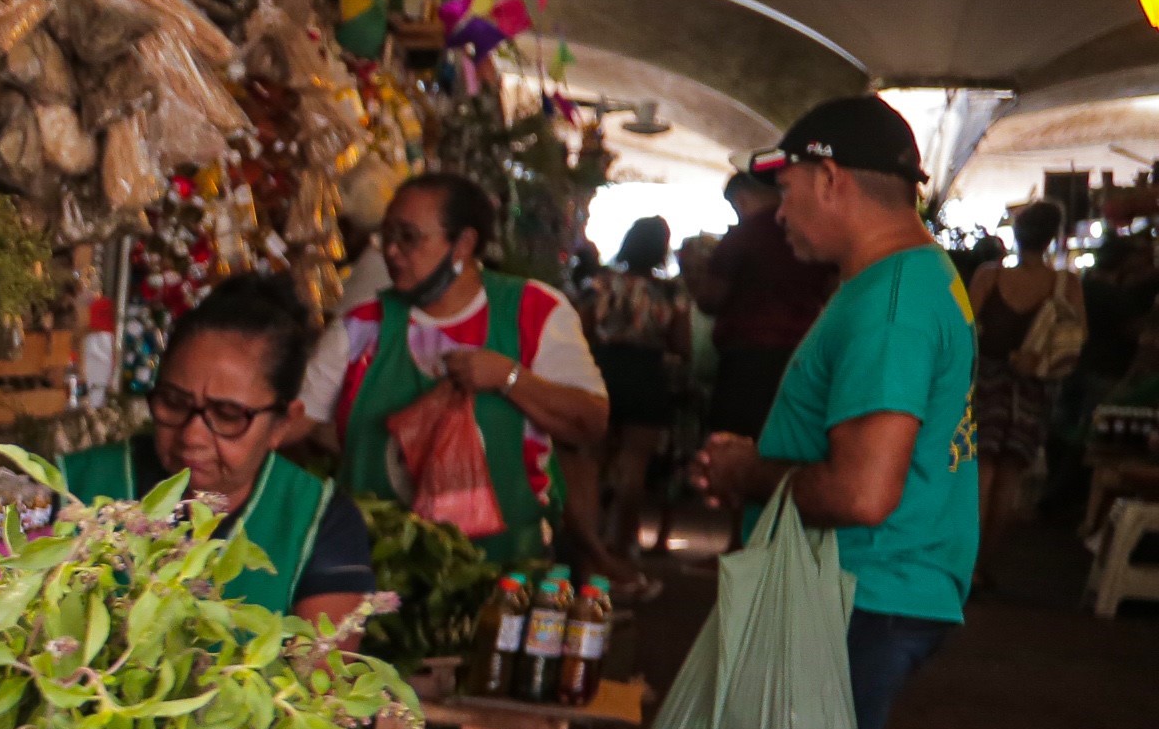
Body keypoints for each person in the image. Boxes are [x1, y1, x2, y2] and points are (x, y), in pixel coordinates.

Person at [543, 96, 975, 729]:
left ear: (828, 179)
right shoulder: (892, 284)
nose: (773, 215)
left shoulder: (897, 299)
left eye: (783, 191)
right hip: (831, 582)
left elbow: (864, 490)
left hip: (866, 587)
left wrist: (745, 477)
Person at [292, 171, 610, 568]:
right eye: (386, 236)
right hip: (373, 572)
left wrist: (509, 378)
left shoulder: (535, 311)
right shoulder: (360, 329)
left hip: (504, 571)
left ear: (463, 244)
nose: (391, 251)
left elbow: (591, 423)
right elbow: (296, 423)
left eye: (408, 237)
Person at [60, 272, 374, 623]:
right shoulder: (70, 487)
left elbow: (320, 673)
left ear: (282, 424)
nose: (192, 435)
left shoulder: (319, 524)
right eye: (175, 403)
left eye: (227, 415)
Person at [578, 215, 694, 595]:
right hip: (647, 375)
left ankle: (588, 546)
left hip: (605, 370)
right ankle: (622, 547)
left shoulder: (602, 283)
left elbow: (584, 329)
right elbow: (682, 343)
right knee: (634, 469)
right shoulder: (671, 293)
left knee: (592, 463)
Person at [695, 164, 837, 442]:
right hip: (801, 354)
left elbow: (710, 300)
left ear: (741, 199)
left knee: (731, 448)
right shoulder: (814, 233)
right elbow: (833, 290)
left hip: (746, 361)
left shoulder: (743, 236)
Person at [964, 200, 1078, 531]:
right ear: (1051, 238)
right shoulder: (1066, 284)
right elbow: (1075, 338)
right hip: (1035, 388)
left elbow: (965, 328)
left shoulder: (989, 276)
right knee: (1010, 477)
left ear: (1017, 234)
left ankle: (965, 564)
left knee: (981, 471)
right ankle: (986, 566)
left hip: (987, 383)